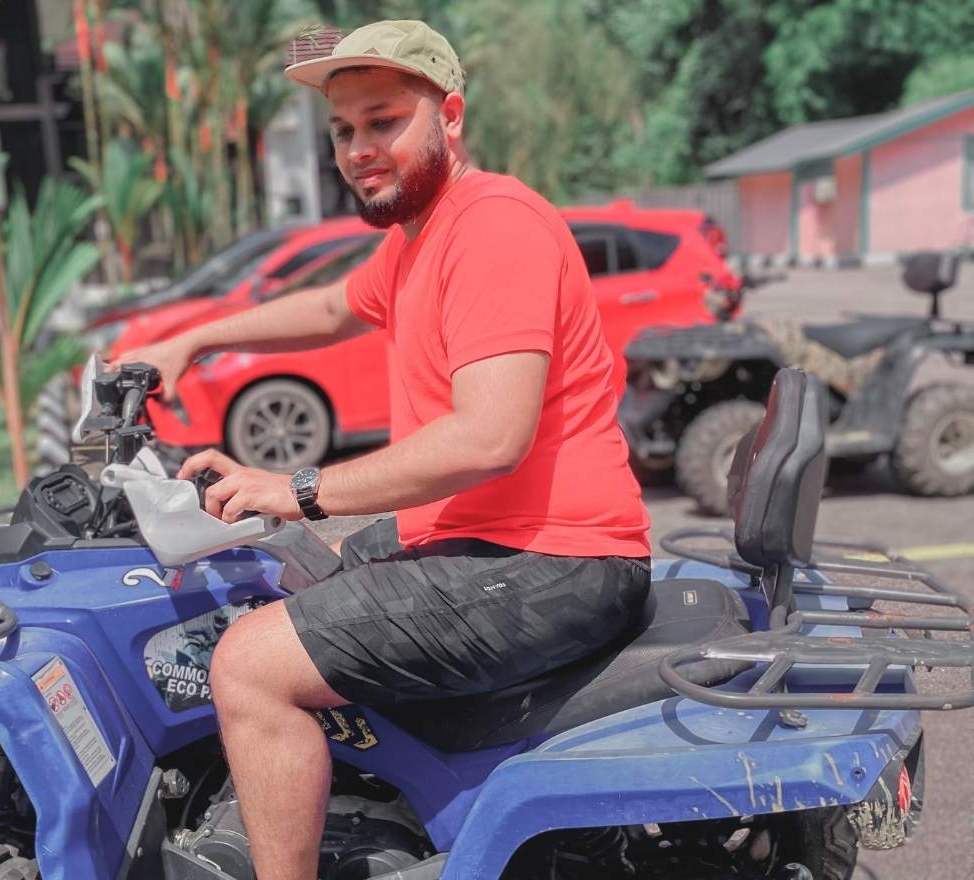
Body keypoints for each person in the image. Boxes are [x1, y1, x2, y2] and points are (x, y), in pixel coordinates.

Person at [110, 20, 652, 880]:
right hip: (488, 538)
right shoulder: (420, 236)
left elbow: (489, 437)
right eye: (343, 130)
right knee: (283, 567)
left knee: (246, 666)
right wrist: (195, 340)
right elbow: (329, 310)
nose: (360, 147)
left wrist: (297, 487)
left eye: (384, 120)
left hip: (554, 557)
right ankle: (352, 807)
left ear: (451, 116)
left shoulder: (492, 226)